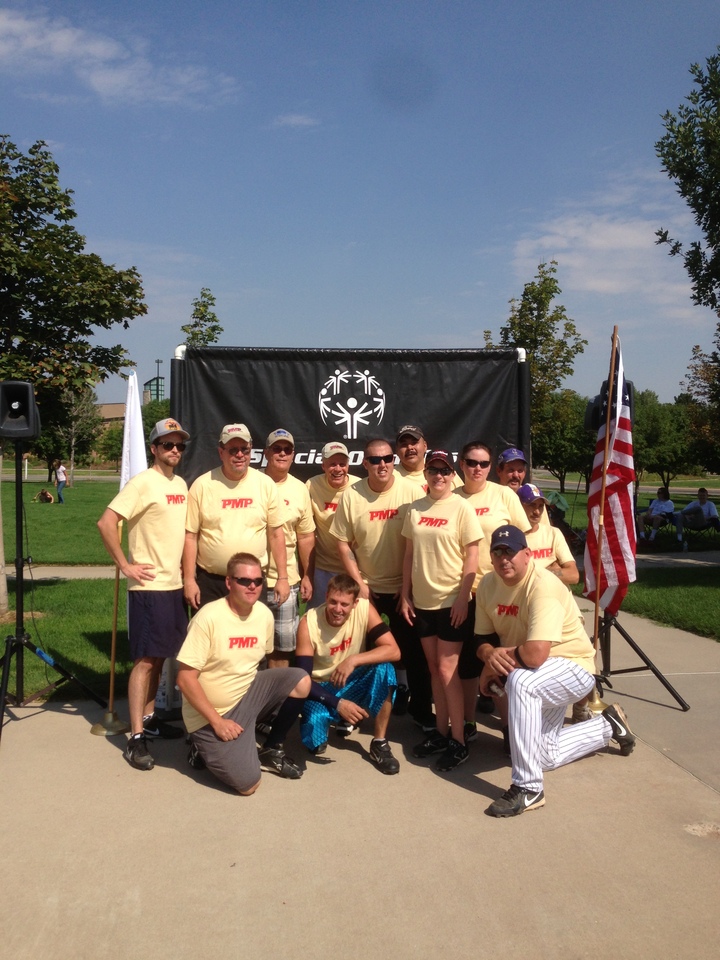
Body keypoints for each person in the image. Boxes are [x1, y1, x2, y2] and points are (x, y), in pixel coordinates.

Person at [475, 525, 636, 818]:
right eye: (496, 552)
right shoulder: (488, 585)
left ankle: (528, 788)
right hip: (538, 673)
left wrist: (492, 668)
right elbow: (481, 638)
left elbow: (535, 656)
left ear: (527, 554)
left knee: (521, 681)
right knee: (543, 755)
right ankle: (608, 725)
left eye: (510, 551)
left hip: (573, 667)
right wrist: (488, 656)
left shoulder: (543, 585)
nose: (503, 559)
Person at [97, 417, 191, 771]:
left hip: (173, 585)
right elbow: (106, 523)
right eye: (167, 444)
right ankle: (135, 737)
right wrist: (125, 564)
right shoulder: (141, 483)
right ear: (154, 448)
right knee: (145, 660)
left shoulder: (181, 484)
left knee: (163, 657)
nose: (174, 450)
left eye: (179, 445)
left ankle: (150, 719)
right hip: (149, 587)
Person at [176, 552, 310, 795]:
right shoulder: (208, 617)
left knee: (300, 680)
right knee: (249, 784)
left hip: (246, 695)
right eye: (244, 581)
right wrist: (218, 723)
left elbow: (259, 663)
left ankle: (269, 748)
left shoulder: (264, 615)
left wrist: (265, 705)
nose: (252, 586)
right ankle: (201, 744)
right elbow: (185, 679)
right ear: (229, 583)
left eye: (258, 581)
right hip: (210, 715)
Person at [330, 437, 434, 728]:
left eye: (387, 458)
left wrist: (408, 589)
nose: (382, 465)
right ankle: (351, 714)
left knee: (414, 657)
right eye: (375, 460)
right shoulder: (352, 496)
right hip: (367, 590)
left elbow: (422, 541)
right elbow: (342, 544)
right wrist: (359, 585)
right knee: (357, 654)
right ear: (365, 464)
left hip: (405, 589)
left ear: (394, 460)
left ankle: (423, 716)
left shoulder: (412, 492)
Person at [400, 449, 482, 772]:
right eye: (433, 469)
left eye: (444, 470)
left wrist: (464, 597)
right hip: (422, 602)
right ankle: (442, 732)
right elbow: (408, 555)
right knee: (435, 669)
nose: (438, 476)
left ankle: (459, 741)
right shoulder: (415, 509)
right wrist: (405, 595)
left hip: (452, 602)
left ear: (453, 474)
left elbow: (472, 555)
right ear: (426, 473)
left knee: (449, 671)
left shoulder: (462, 508)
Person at [455, 440, 530, 739]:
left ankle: (509, 727)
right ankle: (469, 722)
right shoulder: (451, 497)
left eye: (483, 463)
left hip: (501, 591)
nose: (477, 468)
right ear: (461, 464)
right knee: (469, 663)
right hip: (464, 593)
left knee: (499, 661)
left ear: (490, 467)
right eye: (471, 462)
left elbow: (525, 542)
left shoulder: (504, 495)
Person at [294, 574, 401, 774]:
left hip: (350, 679)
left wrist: (352, 660)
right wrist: (338, 704)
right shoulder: (307, 623)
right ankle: (332, 716)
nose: (338, 609)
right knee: (315, 745)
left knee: (385, 669)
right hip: (320, 688)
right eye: (333, 601)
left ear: (355, 603)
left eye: (344, 604)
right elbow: (302, 679)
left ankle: (379, 742)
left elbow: (394, 650)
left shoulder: (365, 609)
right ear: (325, 596)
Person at [183, 424, 289, 609]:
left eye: (244, 449)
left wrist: (283, 577)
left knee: (252, 636)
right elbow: (191, 537)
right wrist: (190, 580)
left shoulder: (265, 484)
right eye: (233, 450)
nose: (240, 455)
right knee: (211, 636)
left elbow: (276, 534)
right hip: (211, 582)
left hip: (253, 583)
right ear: (221, 452)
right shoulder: (202, 485)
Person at [262, 428, 316, 667]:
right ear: (266, 453)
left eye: (287, 450)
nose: (282, 454)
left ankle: (277, 703)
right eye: (277, 449)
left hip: (286, 581)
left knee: (282, 650)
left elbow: (305, 537)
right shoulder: (252, 482)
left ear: (293, 455)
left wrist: (307, 575)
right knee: (247, 649)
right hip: (251, 580)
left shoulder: (300, 489)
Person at [305, 441, 358, 607]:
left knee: (351, 621)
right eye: (332, 464)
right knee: (318, 619)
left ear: (348, 466)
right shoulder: (312, 485)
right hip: (323, 568)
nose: (338, 469)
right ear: (323, 466)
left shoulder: (359, 487)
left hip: (354, 569)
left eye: (342, 464)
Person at [517, 483, 579, 586]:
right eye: (532, 505)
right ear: (519, 505)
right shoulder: (513, 538)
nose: (537, 512)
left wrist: (540, 573)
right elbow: (518, 579)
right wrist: (554, 571)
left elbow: (574, 575)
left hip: (559, 598)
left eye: (541, 506)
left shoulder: (553, 533)